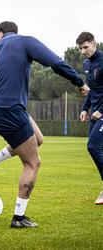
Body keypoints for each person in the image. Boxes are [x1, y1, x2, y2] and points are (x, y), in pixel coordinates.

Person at [0, 21, 89, 228]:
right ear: (14, 32)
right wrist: (79, 82)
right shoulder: (25, 42)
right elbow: (55, 62)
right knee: (33, 163)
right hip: (11, 109)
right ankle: (19, 218)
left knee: (38, 139)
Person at [77, 32, 103, 205]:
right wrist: (85, 108)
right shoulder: (86, 64)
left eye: (86, 47)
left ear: (94, 44)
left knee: (93, 146)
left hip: (101, 113)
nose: (83, 51)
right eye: (80, 48)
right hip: (94, 114)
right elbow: (92, 89)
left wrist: (102, 110)